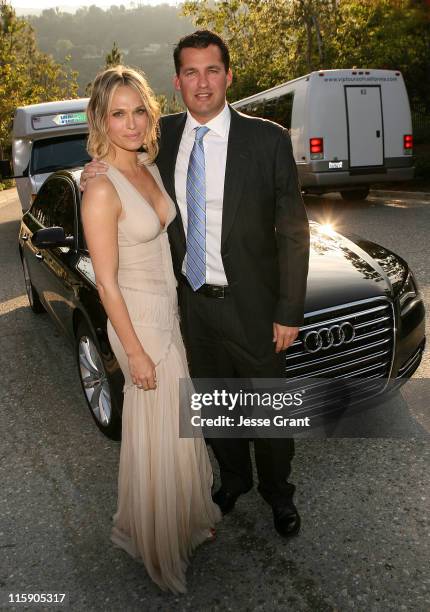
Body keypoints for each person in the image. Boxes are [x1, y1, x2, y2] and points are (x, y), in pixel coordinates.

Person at [82, 30, 310, 539]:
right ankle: (233, 481)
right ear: (177, 81)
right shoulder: (156, 137)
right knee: (214, 404)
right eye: (191, 72)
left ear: (229, 76)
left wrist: (289, 310)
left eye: (212, 70)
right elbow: (116, 173)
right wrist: (86, 173)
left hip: (254, 307)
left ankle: (279, 493)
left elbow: (294, 231)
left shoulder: (267, 139)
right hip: (192, 310)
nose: (202, 82)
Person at [80, 65, 221, 595]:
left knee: (176, 425)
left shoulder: (148, 166)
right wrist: (134, 354)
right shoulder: (100, 188)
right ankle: (160, 544)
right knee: (159, 431)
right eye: (118, 113)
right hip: (137, 322)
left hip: (166, 311)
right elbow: (107, 284)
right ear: (100, 118)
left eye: (139, 110)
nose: (131, 122)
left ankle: (182, 518)